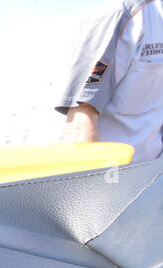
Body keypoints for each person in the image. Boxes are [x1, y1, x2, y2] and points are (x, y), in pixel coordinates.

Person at [56, 0, 163, 161]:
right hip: (108, 171)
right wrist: (93, 176)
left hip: (150, 171)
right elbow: (80, 119)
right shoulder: (124, 14)